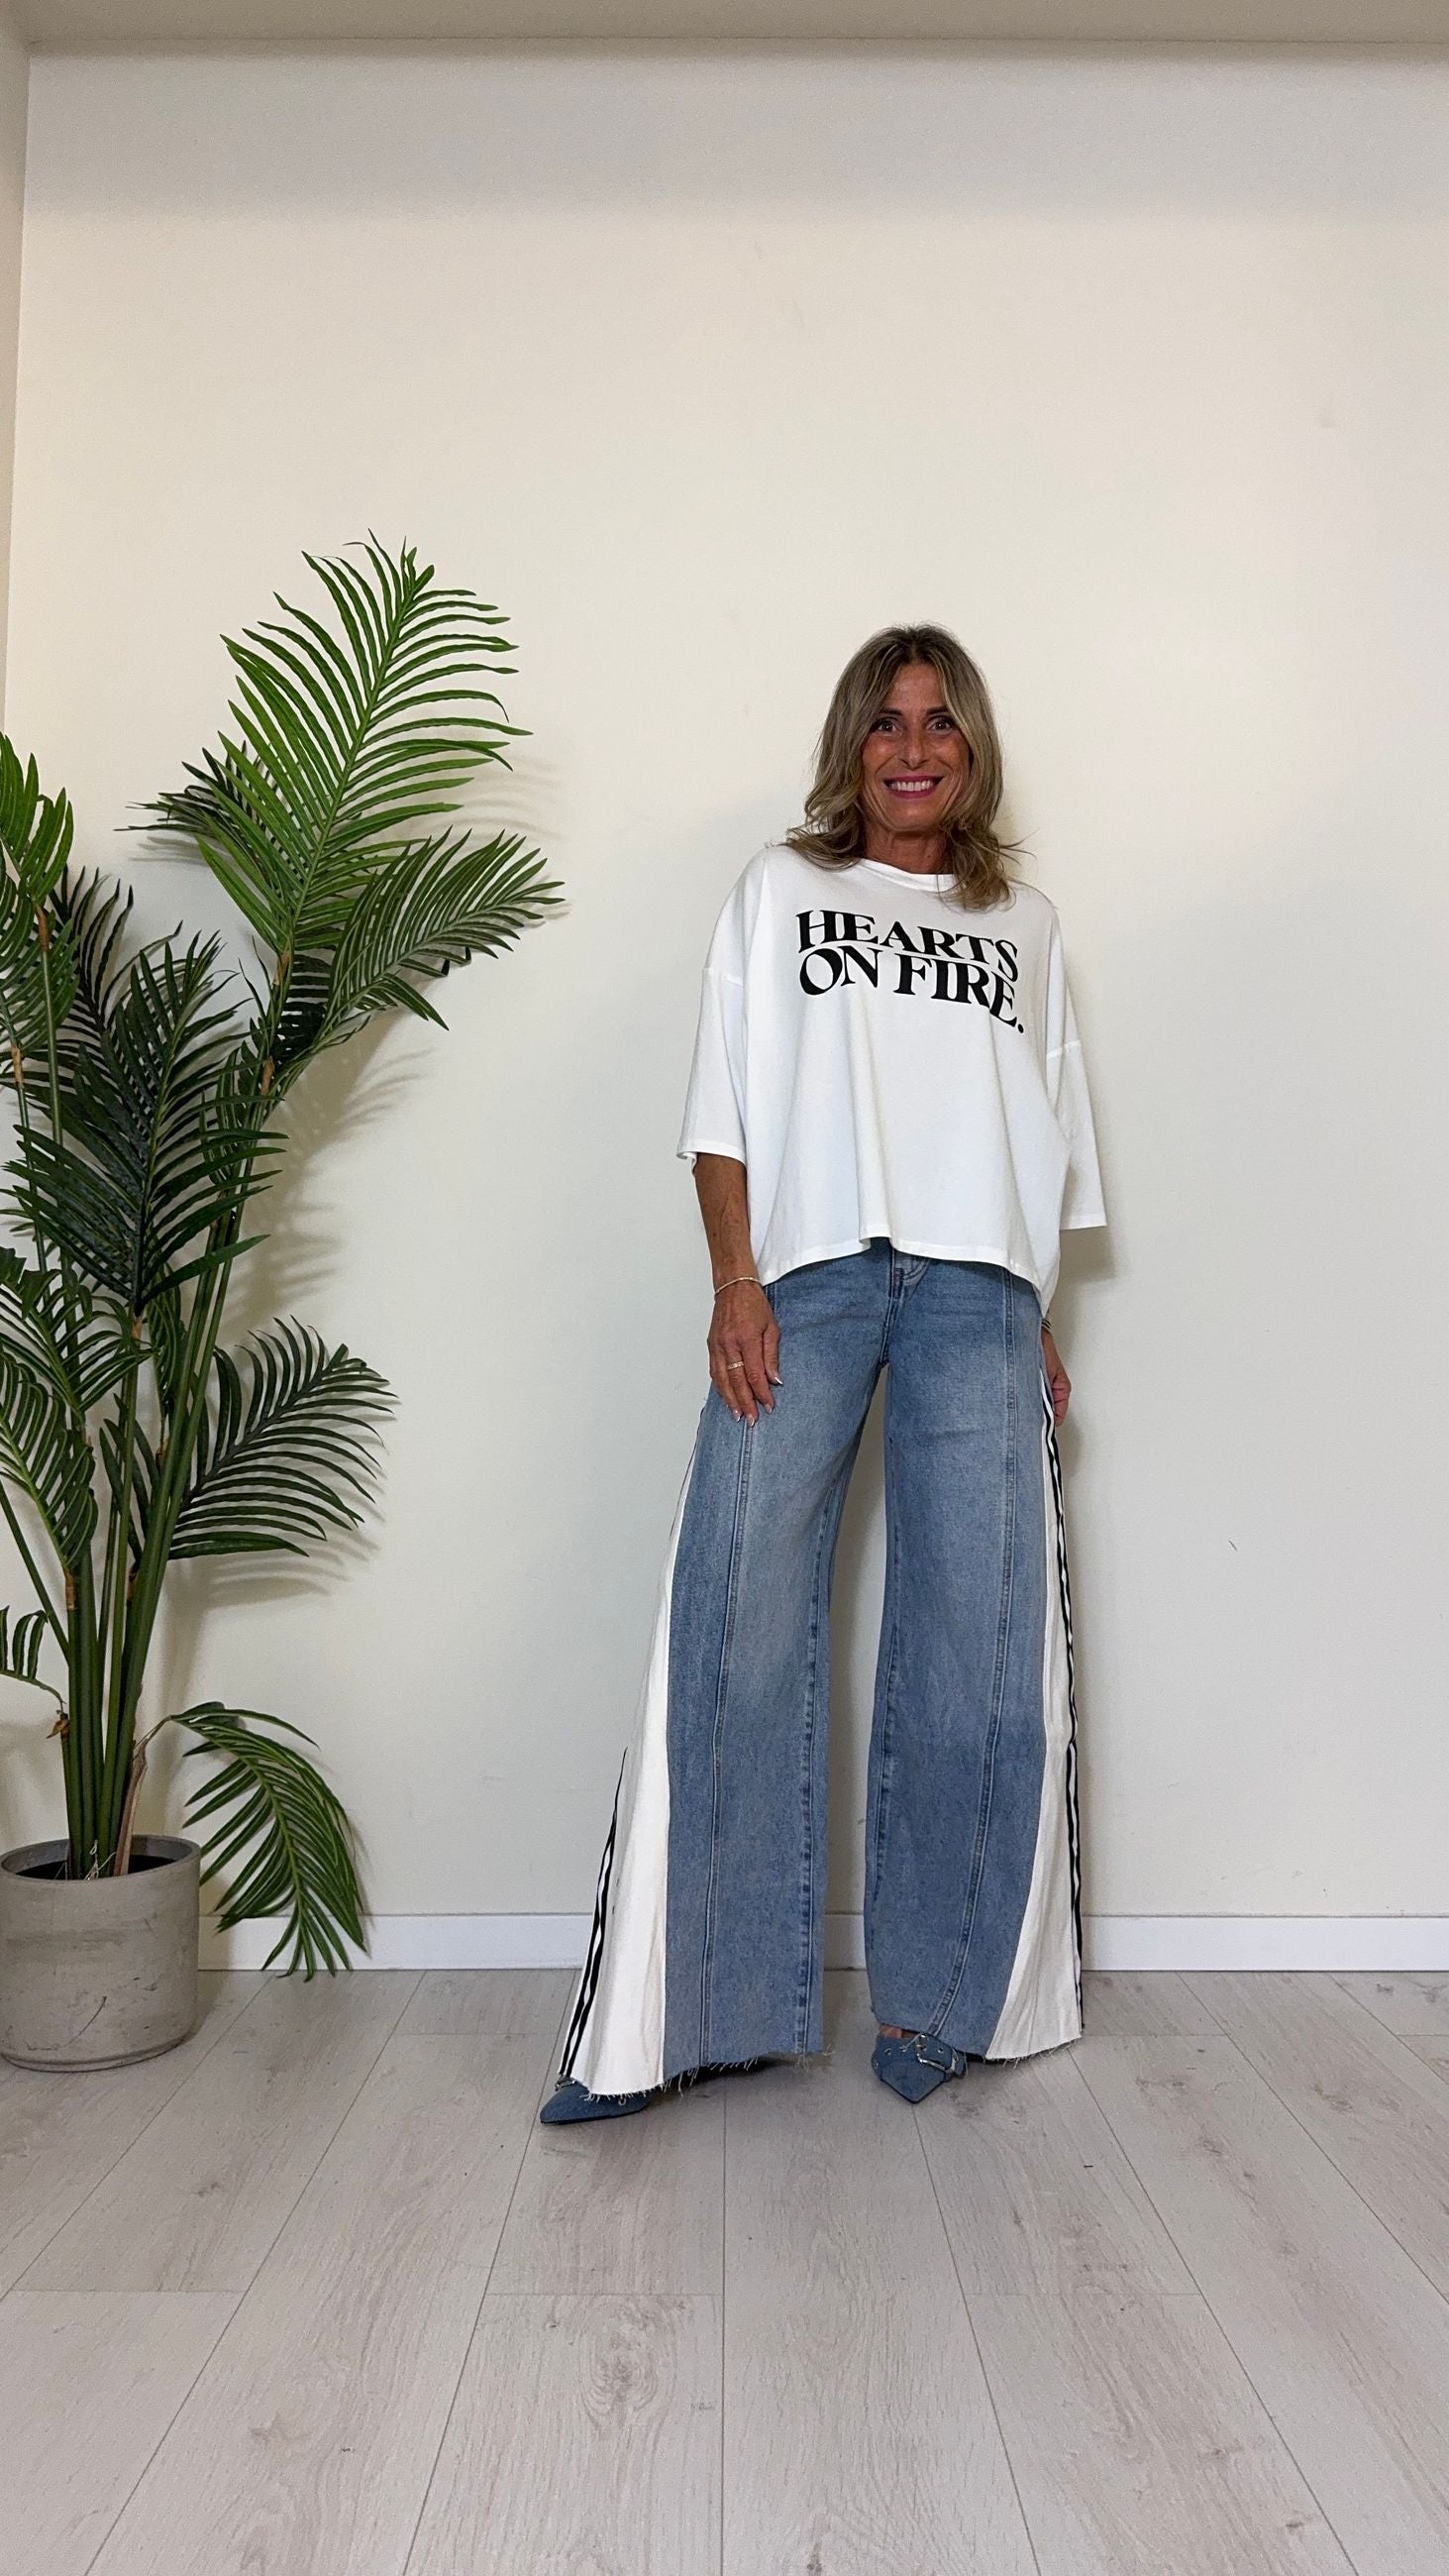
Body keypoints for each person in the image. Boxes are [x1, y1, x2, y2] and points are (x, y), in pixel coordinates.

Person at [541, 624, 1106, 2122]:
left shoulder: (1025, 925)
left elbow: (1041, 1140)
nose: (914, 748)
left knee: (978, 1640)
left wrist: (1036, 1312)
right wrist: (736, 1280)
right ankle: (693, 2016)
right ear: (852, 745)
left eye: (941, 723)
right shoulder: (781, 891)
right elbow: (722, 1107)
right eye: (886, 722)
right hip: (813, 1277)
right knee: (736, 1604)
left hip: (981, 1295)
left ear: (972, 751)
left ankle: (941, 1998)